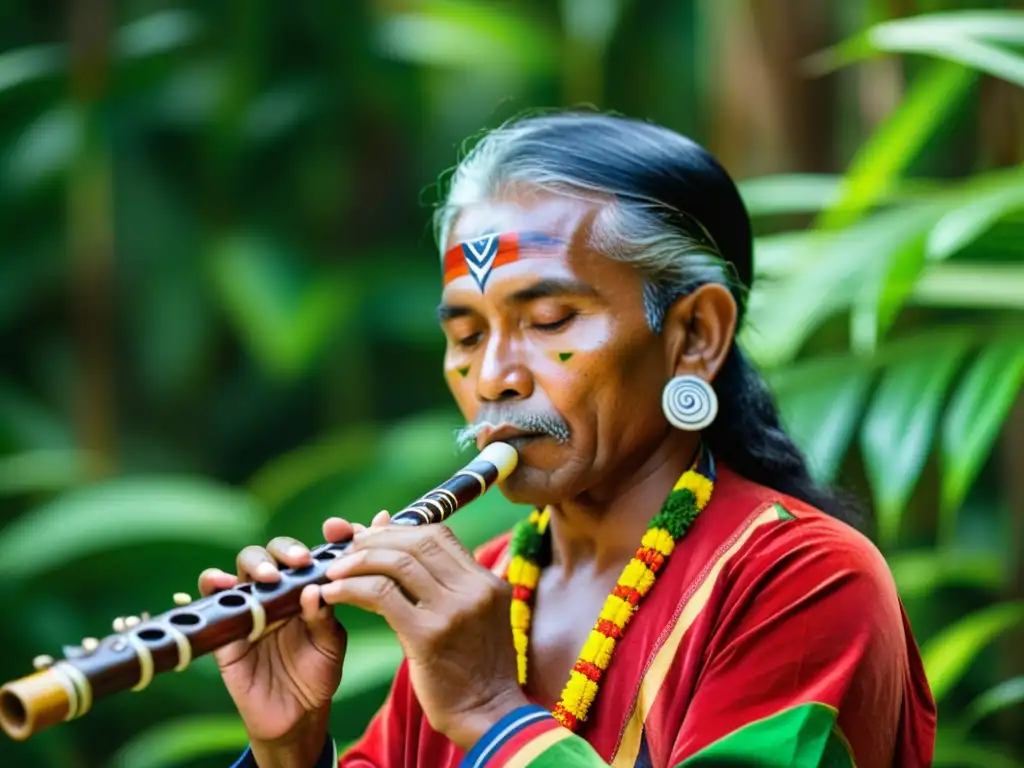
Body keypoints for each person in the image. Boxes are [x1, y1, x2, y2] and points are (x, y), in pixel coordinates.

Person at [205, 112, 936, 768]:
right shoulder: (480, 594)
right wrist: (288, 749)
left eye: (550, 319)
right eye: (465, 334)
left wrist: (493, 712)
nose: (493, 376)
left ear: (693, 335)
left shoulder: (803, 581)